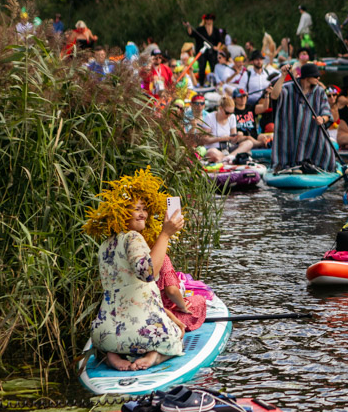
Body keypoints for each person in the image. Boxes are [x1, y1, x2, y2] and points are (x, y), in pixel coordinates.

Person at [83, 170, 187, 371]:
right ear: (121, 212)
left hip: (104, 334)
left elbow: (129, 298)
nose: (143, 214)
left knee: (117, 337)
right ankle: (154, 356)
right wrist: (165, 234)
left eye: (144, 209)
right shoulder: (133, 238)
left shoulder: (105, 245)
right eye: (136, 209)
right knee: (178, 333)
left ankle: (111, 356)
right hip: (142, 334)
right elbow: (147, 274)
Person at [266, 62, 337, 172]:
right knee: (287, 145)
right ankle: (289, 166)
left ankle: (314, 166)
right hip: (290, 131)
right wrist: (283, 75)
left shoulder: (319, 91)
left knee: (324, 148)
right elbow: (274, 95)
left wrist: (322, 119)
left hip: (312, 131)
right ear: (307, 77)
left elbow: (327, 113)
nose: (318, 78)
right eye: (315, 76)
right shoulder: (288, 87)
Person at [201, 96, 256, 163]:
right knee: (211, 152)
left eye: (231, 112)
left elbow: (233, 141)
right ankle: (230, 158)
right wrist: (220, 138)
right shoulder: (209, 117)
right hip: (215, 149)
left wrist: (237, 136)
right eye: (227, 113)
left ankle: (228, 158)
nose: (229, 115)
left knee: (249, 143)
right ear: (220, 108)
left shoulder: (232, 117)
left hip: (228, 149)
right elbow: (204, 140)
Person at [184, 13, 227, 86]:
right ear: (205, 20)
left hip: (212, 52)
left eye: (210, 19)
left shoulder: (216, 30)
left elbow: (220, 40)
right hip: (202, 52)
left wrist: (217, 47)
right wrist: (188, 26)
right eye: (207, 19)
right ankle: (201, 84)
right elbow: (191, 34)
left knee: (213, 67)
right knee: (202, 67)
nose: (209, 21)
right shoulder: (200, 29)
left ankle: (215, 83)